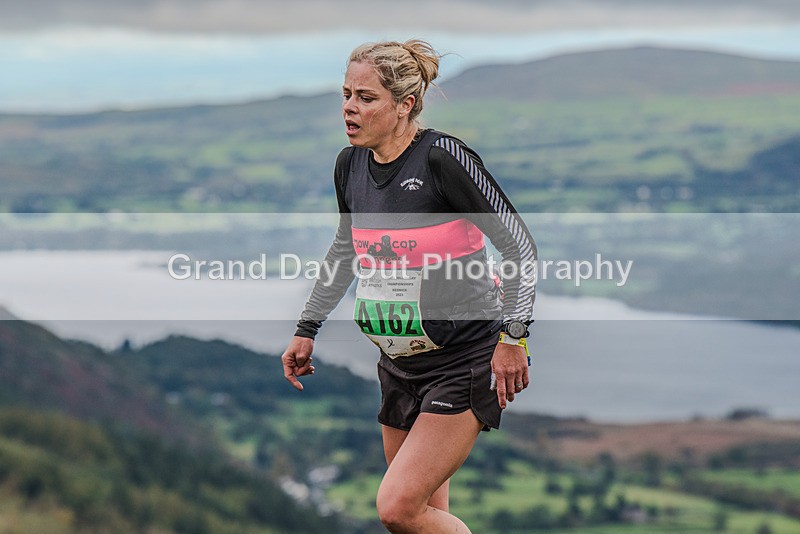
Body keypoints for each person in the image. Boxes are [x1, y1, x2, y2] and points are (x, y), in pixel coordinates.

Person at [281, 39, 537, 533]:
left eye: (366, 97)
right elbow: (344, 249)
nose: (350, 108)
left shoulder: (443, 159)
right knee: (421, 520)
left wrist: (514, 337)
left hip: (463, 360)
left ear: (405, 105)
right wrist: (306, 328)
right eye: (346, 93)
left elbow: (520, 247)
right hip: (398, 365)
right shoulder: (349, 165)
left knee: (396, 507)